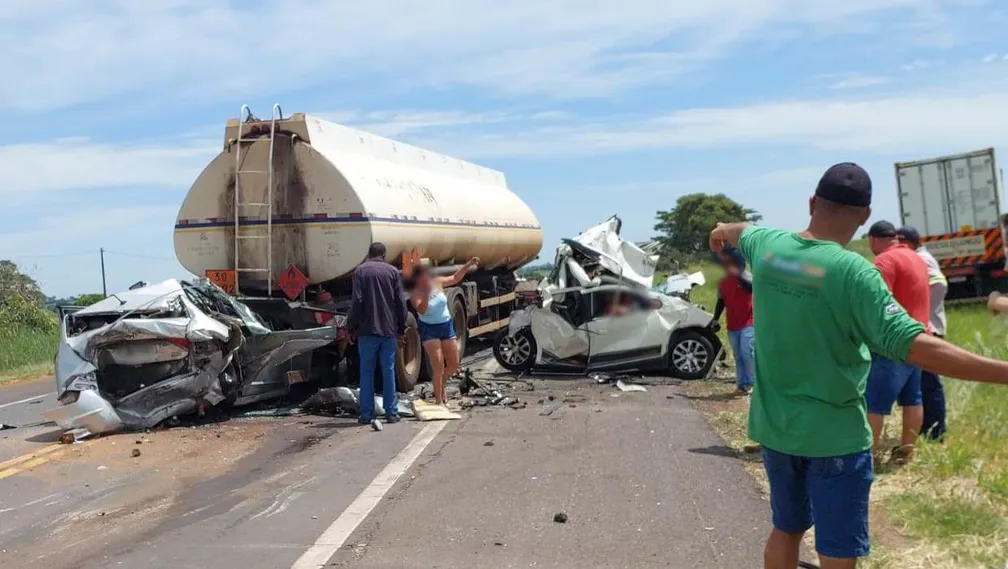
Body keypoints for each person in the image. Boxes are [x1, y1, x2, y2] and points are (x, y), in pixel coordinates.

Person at [709, 162, 1008, 569]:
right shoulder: (855, 273)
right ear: (865, 216)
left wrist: (720, 230)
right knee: (837, 549)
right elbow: (916, 346)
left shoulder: (769, 246)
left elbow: (740, 231)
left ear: (812, 202)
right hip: (834, 438)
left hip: (775, 429)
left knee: (786, 529)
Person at [865, 220, 930, 459]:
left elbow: (880, 304)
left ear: (873, 239)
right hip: (919, 337)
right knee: (913, 398)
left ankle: (868, 457)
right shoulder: (916, 258)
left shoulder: (885, 261)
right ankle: (906, 451)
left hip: (894, 342)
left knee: (873, 402)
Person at [348, 243, 408, 425]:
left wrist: (351, 327)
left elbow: (356, 301)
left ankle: (367, 414)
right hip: (388, 330)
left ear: (369, 254)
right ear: (384, 255)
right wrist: (402, 327)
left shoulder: (360, 271)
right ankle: (391, 413)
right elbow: (400, 302)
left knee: (366, 372)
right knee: (388, 370)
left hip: (366, 331)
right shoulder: (393, 272)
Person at [897, 225, 948, 440]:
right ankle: (928, 428)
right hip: (927, 328)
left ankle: (935, 431)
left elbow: (940, 284)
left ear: (906, 242)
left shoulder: (921, 259)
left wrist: (922, 314)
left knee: (929, 382)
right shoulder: (918, 256)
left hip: (929, 329)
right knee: (923, 383)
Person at [409, 257, 479, 405]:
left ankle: (440, 386)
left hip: (446, 326)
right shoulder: (415, 293)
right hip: (429, 329)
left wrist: (468, 264)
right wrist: (426, 294)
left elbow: (455, 278)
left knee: (453, 364)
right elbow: (422, 310)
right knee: (438, 366)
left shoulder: (437, 282)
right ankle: (439, 400)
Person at [711, 245, 754, 396]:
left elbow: (752, 288)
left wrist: (738, 275)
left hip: (749, 322)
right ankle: (741, 385)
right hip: (733, 324)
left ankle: (752, 382)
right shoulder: (723, 282)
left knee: (747, 352)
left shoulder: (747, 277)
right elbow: (721, 301)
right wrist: (715, 319)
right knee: (738, 356)